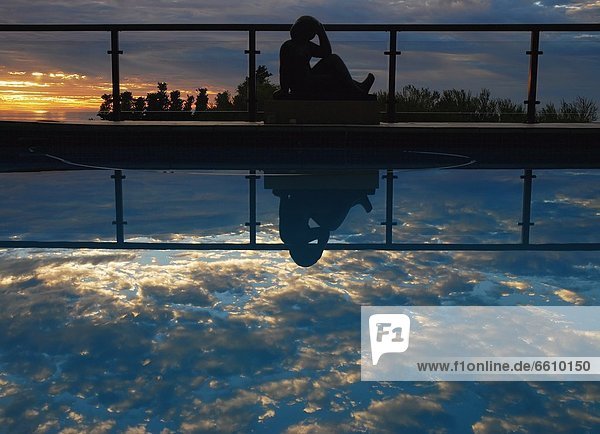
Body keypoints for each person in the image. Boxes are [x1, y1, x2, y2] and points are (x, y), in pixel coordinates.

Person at [274, 16, 375, 100]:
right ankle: (357, 92)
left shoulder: (306, 45)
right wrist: (284, 90)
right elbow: (284, 70)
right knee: (335, 77)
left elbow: (326, 52)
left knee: (333, 59)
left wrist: (321, 31)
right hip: (302, 85)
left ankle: (357, 88)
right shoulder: (289, 46)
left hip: (309, 78)